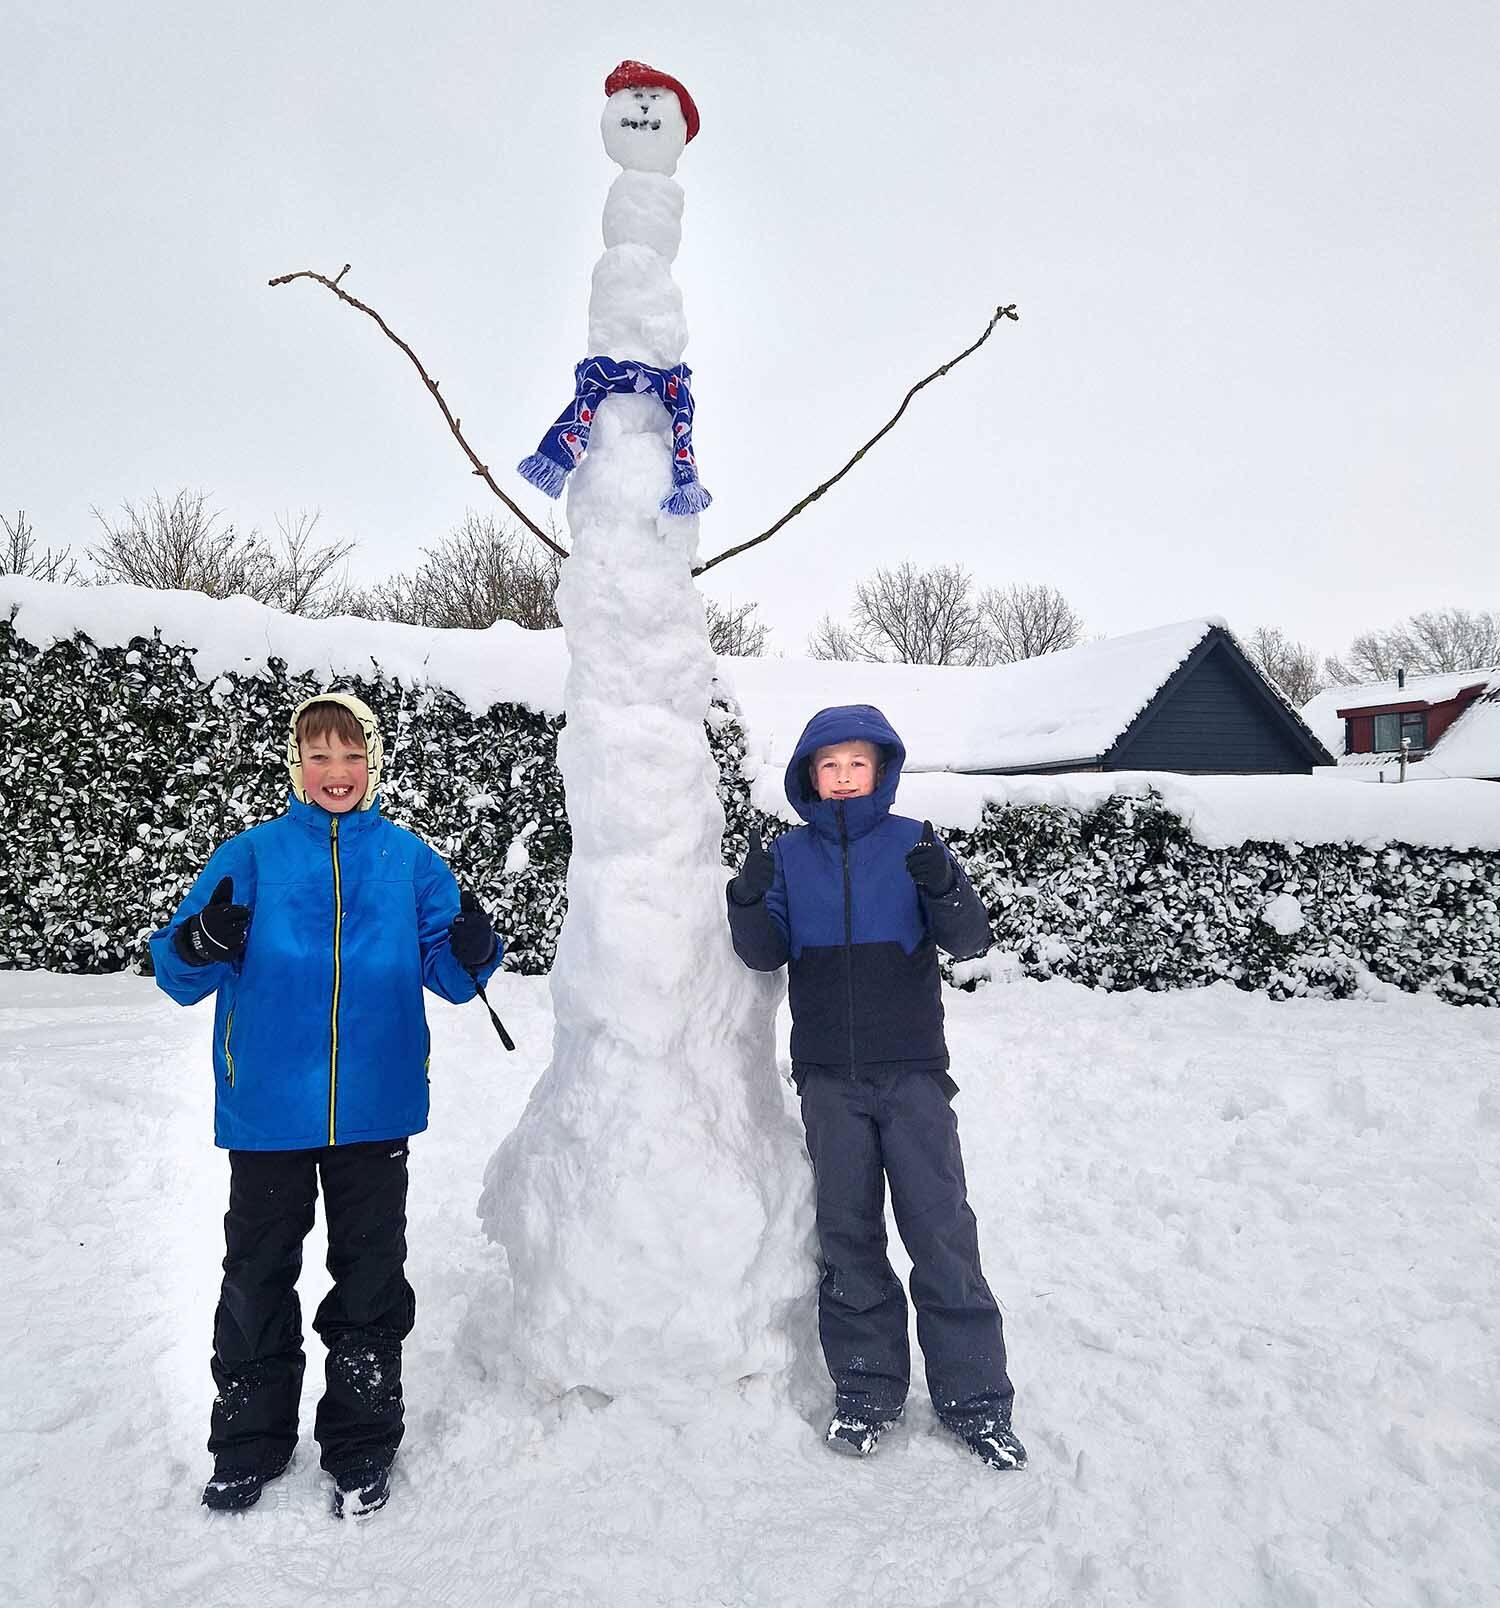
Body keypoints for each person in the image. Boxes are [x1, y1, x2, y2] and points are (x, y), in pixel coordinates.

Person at [150, 691, 502, 1518]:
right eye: (319, 756)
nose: (336, 772)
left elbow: (450, 976)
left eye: (351, 756)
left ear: (372, 763)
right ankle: (248, 1441)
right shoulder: (252, 856)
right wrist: (203, 942)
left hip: (374, 1109)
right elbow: (175, 970)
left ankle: (361, 1441)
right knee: (257, 1276)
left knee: (371, 1278)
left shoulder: (409, 861)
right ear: (295, 765)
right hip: (267, 1109)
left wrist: (474, 950)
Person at [725, 703, 1025, 1470]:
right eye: (829, 766)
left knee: (940, 1232)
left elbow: (969, 940)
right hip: (829, 1080)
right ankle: (867, 1393)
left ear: (882, 768)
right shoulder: (790, 856)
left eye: (857, 763)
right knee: (849, 1237)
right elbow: (762, 956)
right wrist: (747, 897)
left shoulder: (914, 841)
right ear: (810, 777)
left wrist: (946, 883)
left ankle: (975, 1402)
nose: (845, 777)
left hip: (914, 1075)